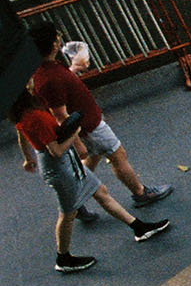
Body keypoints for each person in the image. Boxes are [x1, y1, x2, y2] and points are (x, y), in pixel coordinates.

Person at [12, 90, 171, 273]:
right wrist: (75, 133)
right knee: (68, 214)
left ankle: (139, 227)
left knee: (100, 191)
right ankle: (63, 258)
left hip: (61, 164)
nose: (31, 82)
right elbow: (55, 151)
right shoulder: (36, 116)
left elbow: (21, 134)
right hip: (60, 167)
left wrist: (28, 157)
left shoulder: (21, 115)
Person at [29, 23, 172, 223]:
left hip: (86, 123)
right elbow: (60, 114)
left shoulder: (43, 69)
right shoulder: (50, 78)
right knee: (117, 154)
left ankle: (78, 201)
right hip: (89, 126)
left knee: (94, 157)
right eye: (58, 38)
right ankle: (141, 193)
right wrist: (78, 143)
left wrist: (72, 70)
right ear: (53, 44)